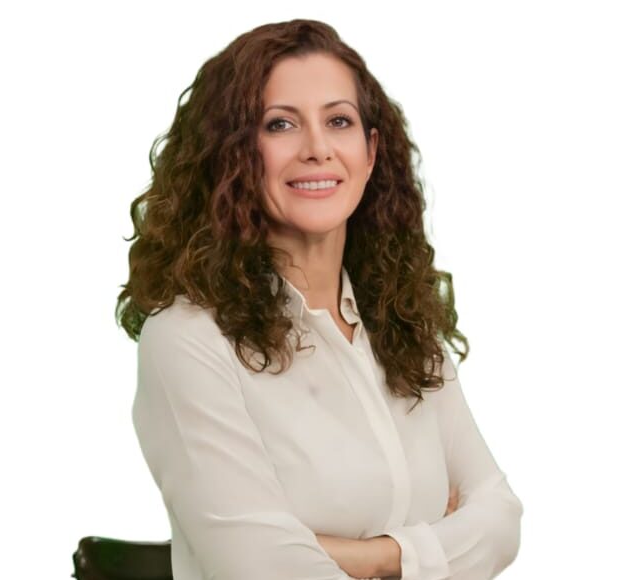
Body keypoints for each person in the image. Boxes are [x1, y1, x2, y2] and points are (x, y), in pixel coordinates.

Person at [116, 18, 523, 580]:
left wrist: (371, 555)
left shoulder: (402, 324)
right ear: (233, 154)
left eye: (338, 121)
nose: (317, 149)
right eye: (280, 124)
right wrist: (436, 548)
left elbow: (500, 519)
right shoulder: (189, 339)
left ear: (371, 152)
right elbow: (258, 564)